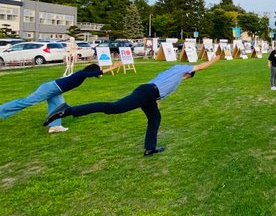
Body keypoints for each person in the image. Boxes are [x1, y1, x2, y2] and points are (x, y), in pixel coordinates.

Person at [43, 55, 221, 156]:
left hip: (149, 93)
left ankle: (150, 148)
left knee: (155, 118)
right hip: (148, 92)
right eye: (189, 75)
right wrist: (213, 61)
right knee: (113, 107)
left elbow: (154, 85)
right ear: (188, 74)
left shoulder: (171, 71)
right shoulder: (183, 69)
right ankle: (66, 111)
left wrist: (154, 98)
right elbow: (201, 66)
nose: (187, 76)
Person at [0, 62, 122, 133]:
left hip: (56, 90)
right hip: (50, 88)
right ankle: (2, 109)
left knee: (59, 108)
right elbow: (94, 73)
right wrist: (112, 68)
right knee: (27, 102)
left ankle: (55, 126)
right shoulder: (81, 73)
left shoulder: (81, 76)